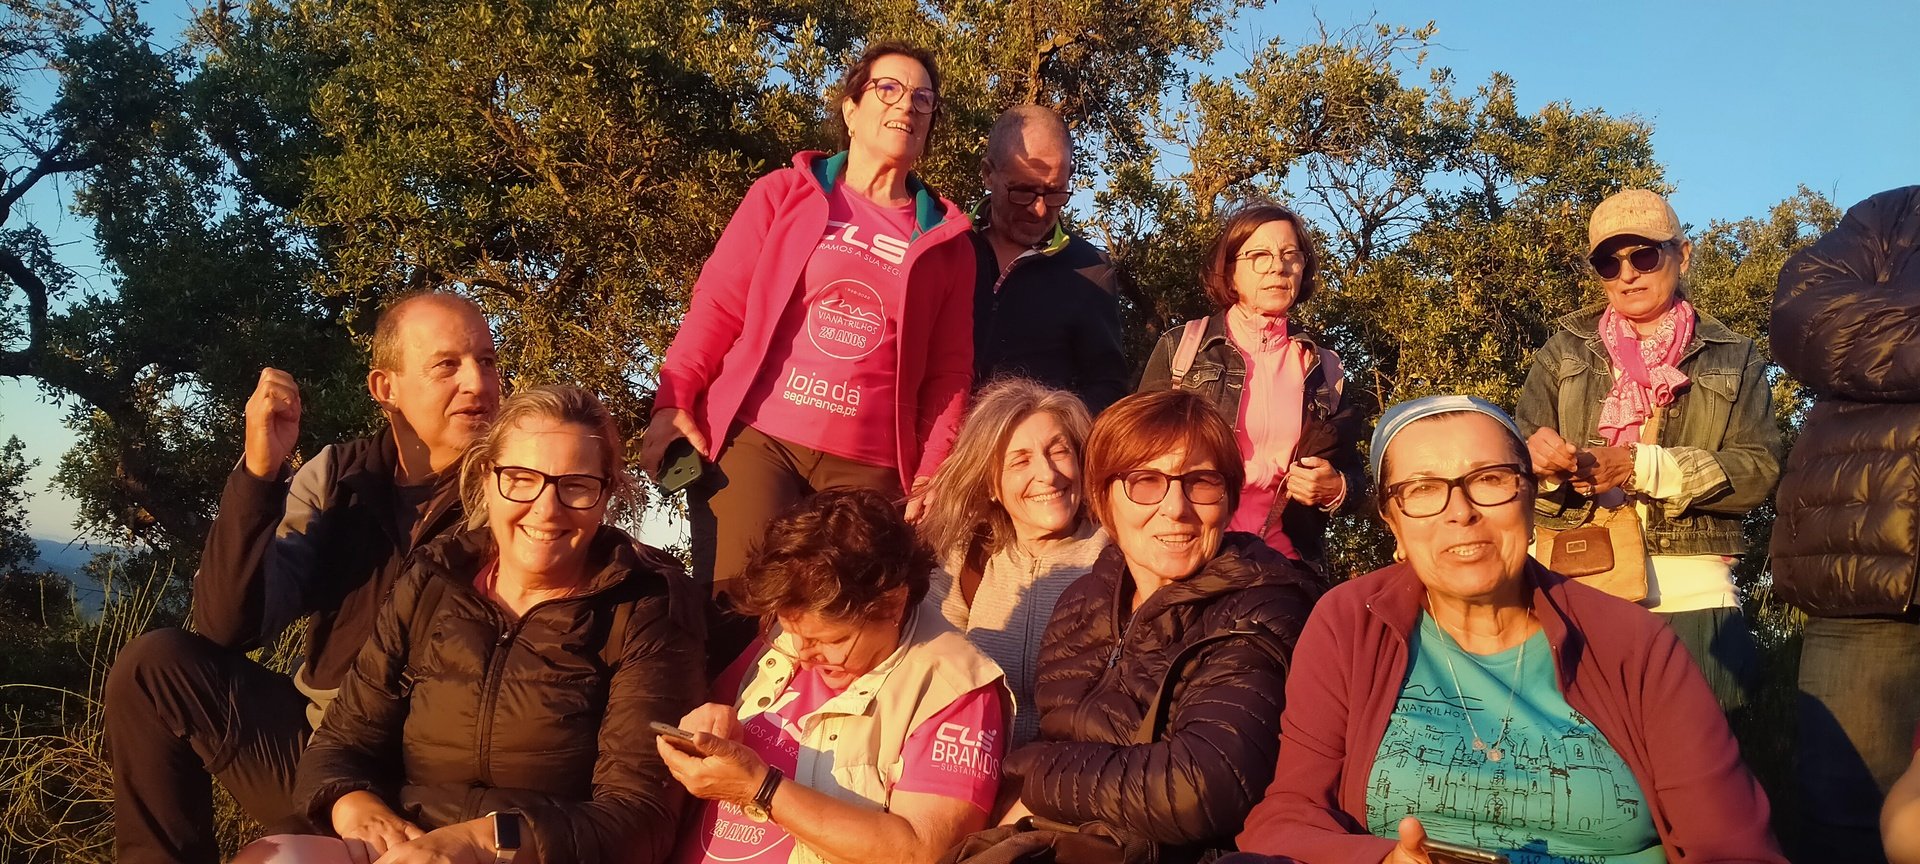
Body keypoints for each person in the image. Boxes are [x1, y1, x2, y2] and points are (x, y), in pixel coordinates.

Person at [1231, 395, 1784, 864]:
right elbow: (1286, 817)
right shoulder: (1351, 622)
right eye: (1422, 489)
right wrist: (1380, 860)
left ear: (1529, 498)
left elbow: (1732, 847)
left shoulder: (1631, 642)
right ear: (1392, 521)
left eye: (1490, 479)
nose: (1460, 511)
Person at [229, 385, 705, 864]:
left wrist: (478, 842)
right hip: (402, 844)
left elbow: (640, 818)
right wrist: (355, 807)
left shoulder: (646, 607)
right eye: (521, 479)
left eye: (576, 485)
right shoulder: (435, 580)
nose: (546, 508)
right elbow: (341, 742)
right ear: (486, 478)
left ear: (607, 495)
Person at [105, 292, 502, 864]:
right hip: (316, 741)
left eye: (487, 361)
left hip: (427, 773)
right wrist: (259, 473)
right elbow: (228, 625)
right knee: (154, 666)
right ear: (385, 387)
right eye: (448, 365)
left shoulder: (515, 492)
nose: (478, 383)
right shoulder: (340, 476)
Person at [635, 41, 976, 675]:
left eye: (923, 98)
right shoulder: (783, 194)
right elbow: (719, 305)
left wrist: (932, 473)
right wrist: (673, 400)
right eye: (888, 89)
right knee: (732, 613)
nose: (907, 105)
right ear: (851, 108)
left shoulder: (947, 241)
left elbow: (950, 372)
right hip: (760, 442)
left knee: (844, 632)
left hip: (870, 465)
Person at [997, 389, 1322, 861]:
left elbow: (1205, 784)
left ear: (1229, 500)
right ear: (1102, 498)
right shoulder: (1081, 603)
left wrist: (1039, 774)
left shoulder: (1260, 606)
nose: (1176, 508)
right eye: (1145, 481)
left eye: (1201, 482)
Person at [1515, 188, 1781, 714]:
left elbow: (1759, 469)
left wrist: (1640, 466)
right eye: (1608, 264)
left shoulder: (1734, 354)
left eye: (1643, 256)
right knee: (1581, 763)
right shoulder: (1562, 351)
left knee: (1703, 759)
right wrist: (1538, 463)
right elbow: (1513, 465)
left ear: (1683, 255)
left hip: (1694, 598)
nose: (1627, 275)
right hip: (1575, 591)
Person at [658, 487, 1008, 864]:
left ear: (893, 603)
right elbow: (716, 711)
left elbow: (922, 850)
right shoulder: (792, 634)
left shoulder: (956, 686)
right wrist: (706, 723)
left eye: (832, 640)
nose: (804, 656)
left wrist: (760, 789)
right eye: (791, 632)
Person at [1770, 185, 1920, 864]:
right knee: (1843, 819)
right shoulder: (1892, 217)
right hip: (1864, 558)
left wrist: (1888, 321)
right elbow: (1806, 317)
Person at [1137, 202, 1366, 566]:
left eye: (1291, 255)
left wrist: (1335, 488)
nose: (1278, 266)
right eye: (1260, 255)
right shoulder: (1182, 349)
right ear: (1230, 273)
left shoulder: (1324, 368)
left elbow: (1354, 477)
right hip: (1193, 558)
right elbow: (1134, 459)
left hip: (1286, 564)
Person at [916, 378, 1106, 748]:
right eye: (1020, 461)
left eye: (1059, 452)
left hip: (1075, 770)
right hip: (971, 763)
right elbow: (929, 672)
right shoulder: (967, 558)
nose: (1048, 475)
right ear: (991, 484)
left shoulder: (1117, 557)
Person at [970, 104, 1128, 414]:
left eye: (1055, 193)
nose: (1039, 209)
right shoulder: (947, 248)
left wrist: (1057, 424)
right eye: (1023, 191)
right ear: (988, 174)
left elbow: (1108, 387)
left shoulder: (1090, 269)